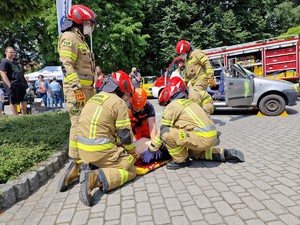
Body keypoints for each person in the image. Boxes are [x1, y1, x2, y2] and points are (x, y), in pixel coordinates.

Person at [142, 85, 245, 170]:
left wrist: (151, 150)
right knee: (194, 153)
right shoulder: (190, 103)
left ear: (168, 99)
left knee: (166, 133)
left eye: (164, 104)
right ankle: (224, 153)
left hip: (201, 138)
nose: (165, 107)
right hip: (211, 137)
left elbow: (163, 130)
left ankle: (181, 161)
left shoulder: (172, 105)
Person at [77, 70, 137, 206]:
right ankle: (94, 178)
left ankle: (81, 167)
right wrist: (132, 152)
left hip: (83, 151)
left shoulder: (94, 98)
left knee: (103, 156)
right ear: (123, 89)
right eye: (127, 94)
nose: (127, 98)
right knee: (130, 168)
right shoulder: (118, 103)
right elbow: (125, 135)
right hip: (99, 151)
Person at [57, 4, 97, 192]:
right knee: (77, 123)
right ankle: (76, 161)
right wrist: (77, 89)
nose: (90, 26)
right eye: (88, 23)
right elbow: (67, 65)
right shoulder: (69, 38)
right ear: (79, 22)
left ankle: (86, 156)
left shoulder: (80, 39)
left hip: (87, 89)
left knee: (88, 123)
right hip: (77, 90)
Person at [128, 88, 157, 156]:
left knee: (149, 140)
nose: (138, 110)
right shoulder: (126, 107)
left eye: (140, 108)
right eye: (135, 108)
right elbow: (126, 127)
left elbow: (152, 126)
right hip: (132, 128)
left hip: (145, 128)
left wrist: (154, 145)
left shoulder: (149, 107)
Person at [0, 47, 28, 115]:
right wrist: (9, 85)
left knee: (23, 100)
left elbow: (20, 73)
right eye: (11, 52)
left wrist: (25, 83)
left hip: (21, 85)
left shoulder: (16, 63)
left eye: (14, 52)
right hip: (13, 85)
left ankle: (25, 116)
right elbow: (3, 73)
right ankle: (16, 117)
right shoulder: (4, 61)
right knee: (13, 102)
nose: (13, 54)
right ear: (6, 53)